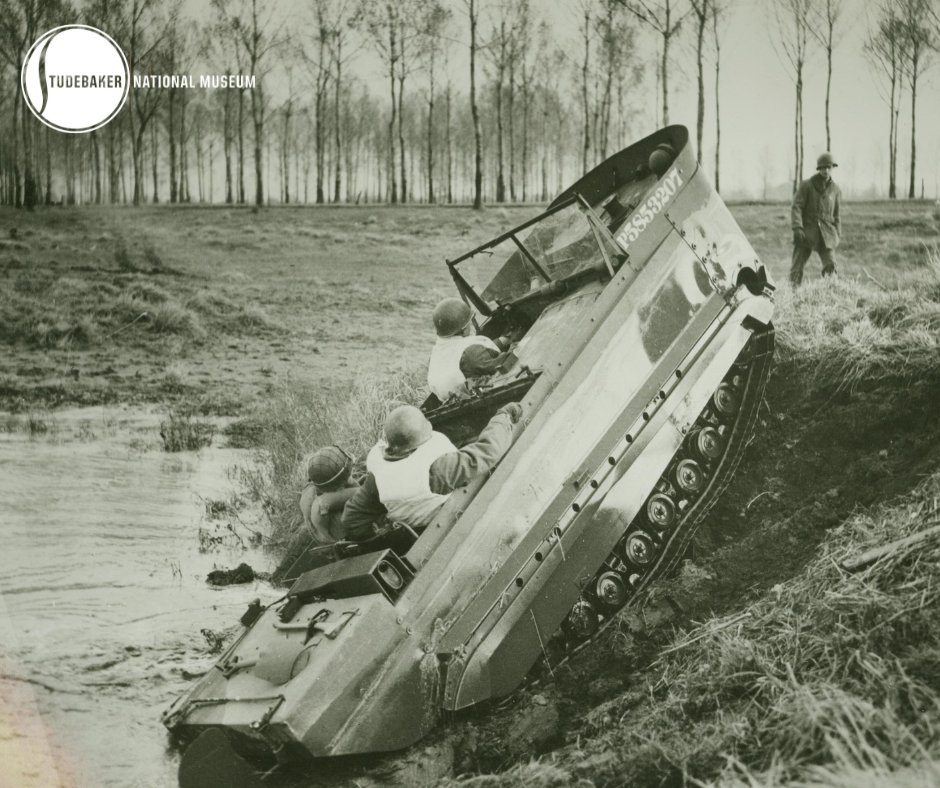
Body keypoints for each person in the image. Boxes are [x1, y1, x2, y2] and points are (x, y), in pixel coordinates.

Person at [341, 401, 523, 540]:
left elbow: (351, 520)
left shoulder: (378, 470)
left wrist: (385, 530)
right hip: (448, 523)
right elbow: (488, 451)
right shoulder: (437, 469)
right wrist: (504, 415)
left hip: (417, 532)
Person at [427, 298, 510, 402]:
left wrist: (501, 341)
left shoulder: (436, 355)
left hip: (452, 400)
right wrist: (514, 343)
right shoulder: (470, 352)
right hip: (479, 398)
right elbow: (502, 362)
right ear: (464, 329)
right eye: (469, 323)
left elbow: (473, 360)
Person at [790, 152, 842, 288]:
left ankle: (830, 293)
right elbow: (796, 206)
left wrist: (837, 234)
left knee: (831, 266)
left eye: (829, 167)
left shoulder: (836, 190)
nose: (826, 171)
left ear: (832, 168)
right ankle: (792, 293)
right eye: (823, 168)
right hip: (806, 231)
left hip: (827, 235)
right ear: (819, 169)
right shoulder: (807, 185)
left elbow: (837, 215)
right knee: (797, 266)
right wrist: (797, 227)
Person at [297, 445, 358, 545]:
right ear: (338, 486)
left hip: (322, 533)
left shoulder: (310, 491)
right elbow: (361, 493)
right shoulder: (326, 506)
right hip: (341, 538)